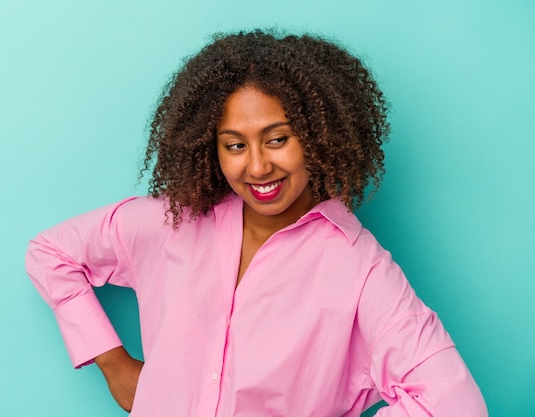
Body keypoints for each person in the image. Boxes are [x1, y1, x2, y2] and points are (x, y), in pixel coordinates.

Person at [25, 30, 487, 416]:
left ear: (316, 136)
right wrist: (113, 364)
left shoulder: (358, 269)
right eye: (235, 145)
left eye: (277, 139)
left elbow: (454, 403)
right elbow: (51, 253)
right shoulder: (173, 223)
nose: (259, 167)